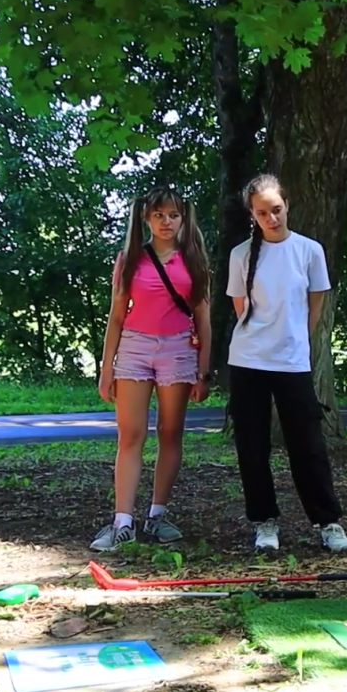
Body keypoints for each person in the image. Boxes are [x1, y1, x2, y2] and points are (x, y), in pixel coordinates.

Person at [226, 173, 347, 553]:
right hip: (248, 360)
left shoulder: (309, 250)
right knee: (252, 445)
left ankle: (328, 522)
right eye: (263, 212)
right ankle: (264, 522)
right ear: (253, 213)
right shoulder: (241, 254)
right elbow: (240, 308)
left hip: (292, 361)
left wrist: (296, 338)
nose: (272, 218)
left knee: (308, 445)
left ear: (287, 205)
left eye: (277, 209)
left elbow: (316, 303)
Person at [93, 186, 213, 551]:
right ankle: (122, 521)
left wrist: (203, 372)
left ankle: (157, 515)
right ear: (146, 217)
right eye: (159, 214)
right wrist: (106, 367)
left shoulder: (194, 260)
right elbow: (116, 316)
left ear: (183, 218)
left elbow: (204, 319)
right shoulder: (130, 258)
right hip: (134, 347)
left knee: (169, 431)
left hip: (178, 349)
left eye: (173, 215)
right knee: (130, 435)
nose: (166, 221)